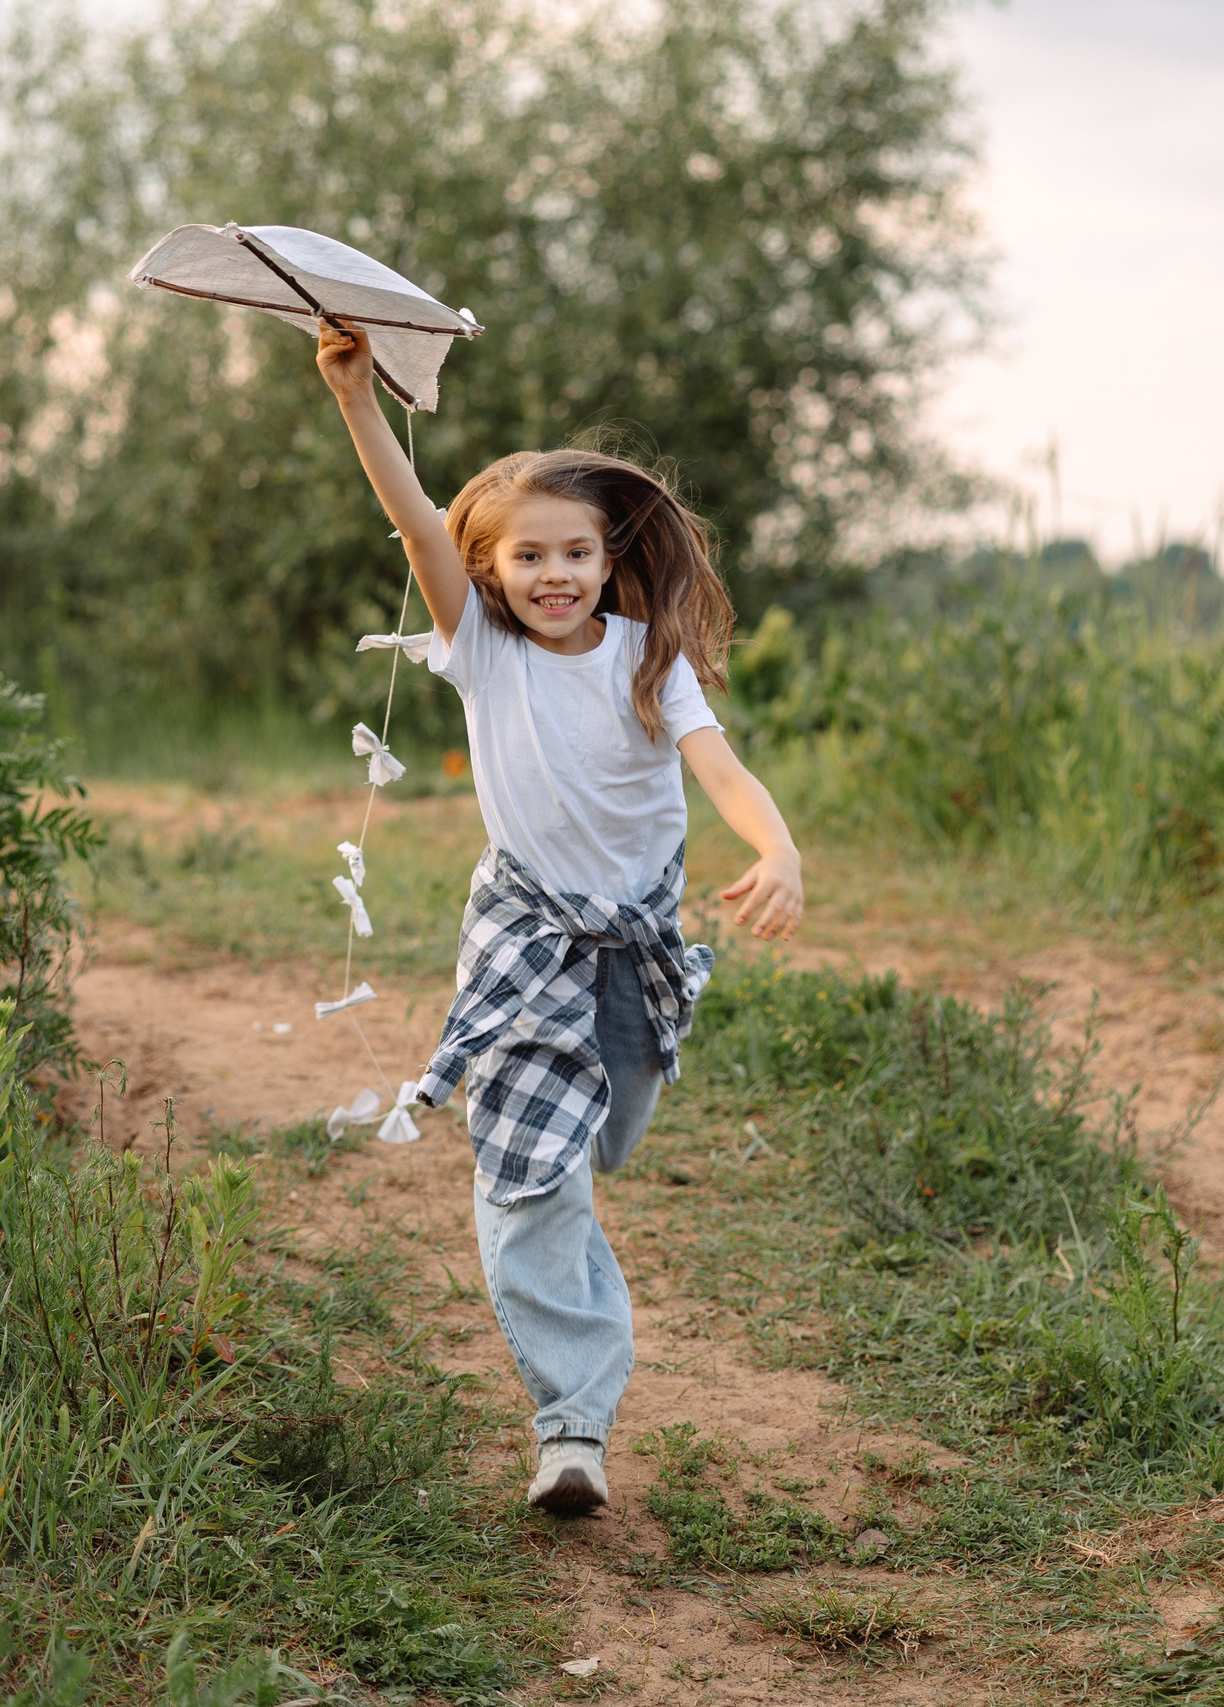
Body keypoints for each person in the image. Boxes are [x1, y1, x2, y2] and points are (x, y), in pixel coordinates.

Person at [314, 319, 806, 1516]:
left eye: (574, 553)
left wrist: (778, 843)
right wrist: (356, 400)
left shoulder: (648, 657)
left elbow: (719, 770)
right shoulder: (478, 647)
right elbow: (419, 519)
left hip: (632, 939)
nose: (552, 574)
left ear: (604, 558)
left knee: (606, 1140)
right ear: (489, 573)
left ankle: (556, 1159)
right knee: (536, 1175)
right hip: (527, 936)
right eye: (526, 555)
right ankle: (571, 1426)